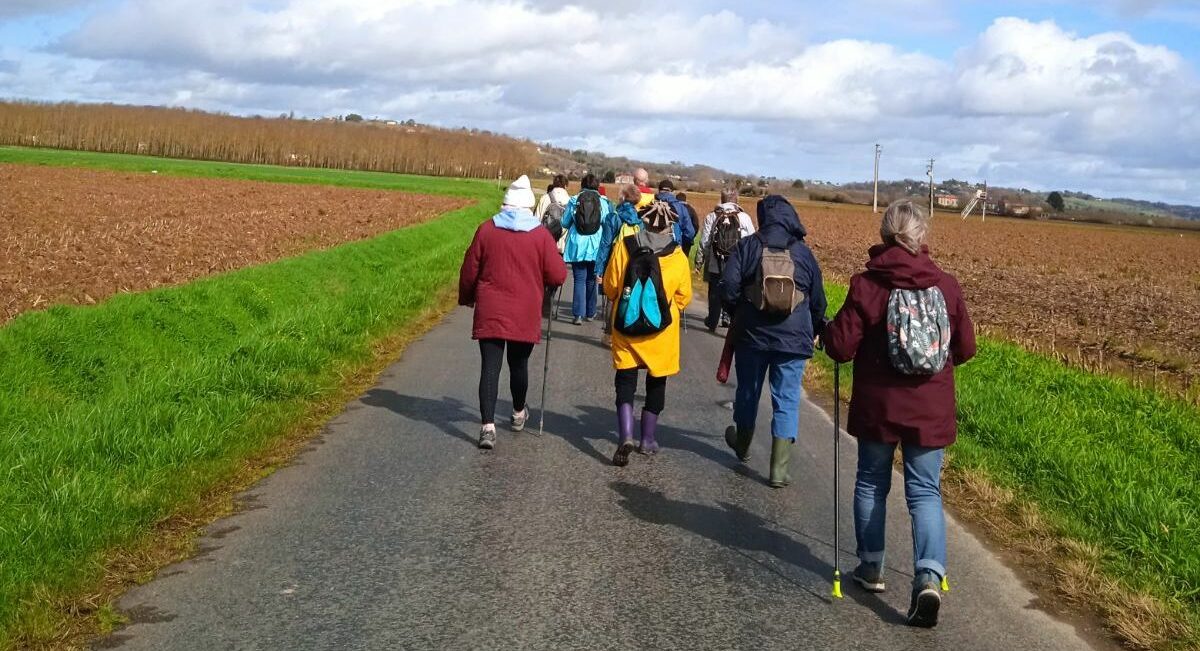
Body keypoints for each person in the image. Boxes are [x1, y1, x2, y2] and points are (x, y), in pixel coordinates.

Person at [823, 200, 976, 628]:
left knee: (871, 481)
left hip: (879, 408)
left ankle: (871, 568)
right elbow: (966, 348)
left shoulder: (867, 285)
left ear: (884, 234)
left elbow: (840, 348)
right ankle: (928, 577)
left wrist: (827, 332)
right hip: (930, 409)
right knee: (925, 492)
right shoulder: (946, 286)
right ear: (921, 235)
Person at [721, 195, 826, 488]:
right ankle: (778, 471)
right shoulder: (803, 253)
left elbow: (728, 287)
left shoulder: (748, 246)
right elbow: (818, 300)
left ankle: (742, 445)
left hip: (752, 336)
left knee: (748, 391)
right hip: (793, 340)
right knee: (787, 399)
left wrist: (738, 312)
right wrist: (815, 326)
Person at [458, 175, 568, 450]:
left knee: (490, 367)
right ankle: (519, 412)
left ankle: (487, 428)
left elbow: (470, 268)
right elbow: (557, 275)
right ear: (529, 206)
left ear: (505, 203)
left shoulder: (486, 230)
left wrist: (467, 297)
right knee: (518, 364)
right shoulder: (540, 235)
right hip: (524, 311)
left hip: (491, 308)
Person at [602, 195, 692, 466]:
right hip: (661, 332)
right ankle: (648, 439)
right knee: (657, 381)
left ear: (644, 221)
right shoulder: (677, 256)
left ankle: (626, 435)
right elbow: (684, 297)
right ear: (669, 226)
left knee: (625, 380)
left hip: (627, 326)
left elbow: (610, 286)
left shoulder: (625, 246)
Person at [699, 190, 756, 330]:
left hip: (716, 261)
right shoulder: (744, 218)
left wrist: (703, 258)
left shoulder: (712, 216)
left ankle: (712, 320)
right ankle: (728, 316)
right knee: (733, 289)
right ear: (737, 200)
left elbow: (705, 242)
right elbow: (752, 241)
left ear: (722, 199)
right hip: (737, 263)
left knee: (714, 291)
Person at [560, 173, 613, 325]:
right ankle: (590, 312)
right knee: (592, 279)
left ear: (582, 185)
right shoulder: (603, 202)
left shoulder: (574, 200)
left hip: (577, 245)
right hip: (596, 246)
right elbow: (607, 223)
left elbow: (564, 222)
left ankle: (578, 315)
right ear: (597, 186)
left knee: (579, 279)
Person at [654, 180, 696, 254]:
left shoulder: (651, 203)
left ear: (659, 190)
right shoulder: (681, 208)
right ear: (672, 192)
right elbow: (690, 232)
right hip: (673, 248)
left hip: (653, 248)